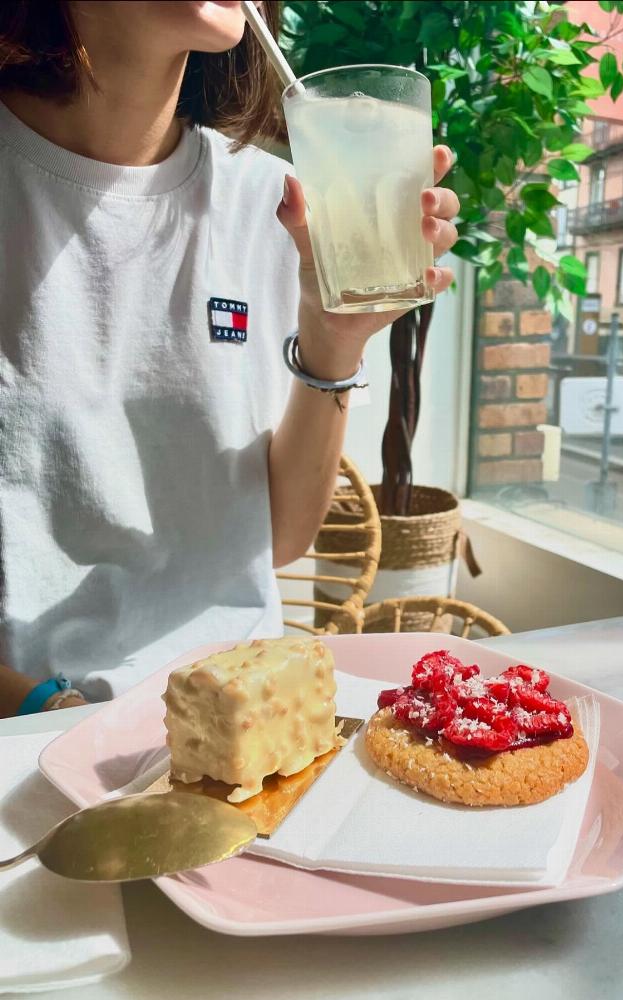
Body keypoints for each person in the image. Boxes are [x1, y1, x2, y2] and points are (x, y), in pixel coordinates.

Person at [0, 1, 460, 716]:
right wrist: (47, 714)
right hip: (34, 730)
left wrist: (333, 342)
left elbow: (279, 539)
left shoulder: (275, 201)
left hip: (251, 709)